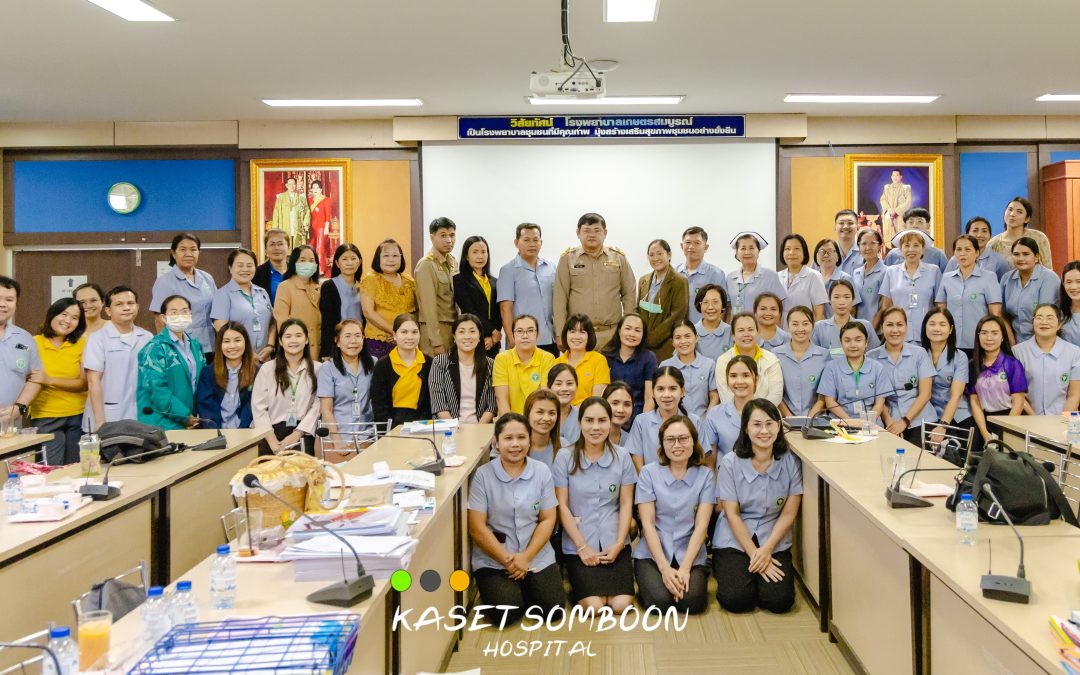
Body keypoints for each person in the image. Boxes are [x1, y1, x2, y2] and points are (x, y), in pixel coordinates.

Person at [468, 412, 566, 626]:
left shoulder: (541, 472)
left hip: (535, 554)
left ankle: (525, 586)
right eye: (508, 438)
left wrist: (526, 558)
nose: (515, 444)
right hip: (495, 558)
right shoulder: (483, 475)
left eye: (521, 438)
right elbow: (477, 528)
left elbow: (548, 519)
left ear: (529, 440)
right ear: (496, 442)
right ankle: (515, 590)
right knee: (506, 615)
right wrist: (508, 561)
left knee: (554, 611)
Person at [713, 398, 802, 614]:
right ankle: (729, 568)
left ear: (779, 426)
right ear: (746, 428)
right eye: (756, 424)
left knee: (779, 602)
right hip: (734, 537)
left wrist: (768, 550)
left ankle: (754, 573)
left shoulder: (790, 461)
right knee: (737, 600)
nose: (764, 430)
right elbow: (731, 514)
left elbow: (789, 513)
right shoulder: (730, 462)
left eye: (770, 423)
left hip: (773, 537)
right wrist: (756, 554)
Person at [552, 397, 637, 613]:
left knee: (621, 605)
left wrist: (619, 543)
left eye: (602, 420)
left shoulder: (622, 456)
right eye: (589, 420)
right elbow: (561, 505)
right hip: (579, 541)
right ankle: (578, 585)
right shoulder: (565, 457)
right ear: (580, 423)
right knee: (594, 607)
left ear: (610, 422)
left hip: (613, 540)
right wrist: (582, 547)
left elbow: (626, 503)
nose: (596, 427)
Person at [633, 415, 714, 614]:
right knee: (659, 603)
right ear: (662, 444)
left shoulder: (705, 476)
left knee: (692, 604)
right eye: (670, 440)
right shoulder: (648, 473)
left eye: (683, 438)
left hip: (690, 553)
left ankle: (684, 577)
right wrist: (664, 568)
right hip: (654, 553)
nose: (677, 445)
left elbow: (702, 526)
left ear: (694, 442)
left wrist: (685, 568)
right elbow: (648, 524)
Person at [554, 213, 636, 348]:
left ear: (605, 233)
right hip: (579, 335)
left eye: (597, 231)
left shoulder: (618, 258)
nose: (592, 235)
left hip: (612, 334)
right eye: (586, 231)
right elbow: (560, 298)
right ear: (578, 233)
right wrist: (560, 333)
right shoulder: (567, 259)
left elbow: (629, 294)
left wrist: (629, 329)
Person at [83, 286, 152, 431]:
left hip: (140, 413)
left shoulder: (147, 337)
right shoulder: (97, 338)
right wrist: (99, 420)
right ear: (108, 311)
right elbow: (93, 380)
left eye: (130, 303)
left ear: (137, 307)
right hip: (107, 415)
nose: (126, 308)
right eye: (119, 304)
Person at [868, 308, 937, 445]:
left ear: (906, 327)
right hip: (888, 421)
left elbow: (926, 394)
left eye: (899, 325)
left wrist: (905, 421)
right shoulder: (871, 357)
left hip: (920, 419)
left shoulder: (919, 354)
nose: (895, 330)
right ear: (882, 327)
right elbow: (878, 399)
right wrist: (891, 424)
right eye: (889, 325)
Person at [251, 318, 320, 455]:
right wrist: (271, 440)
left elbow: (317, 407)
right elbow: (258, 407)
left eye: (298, 336)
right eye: (288, 336)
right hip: (270, 433)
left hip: (303, 433)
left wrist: (297, 434)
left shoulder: (319, 369)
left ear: (306, 340)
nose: (293, 340)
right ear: (281, 342)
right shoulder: (267, 369)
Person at [30, 298, 87, 465]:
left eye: (75, 317)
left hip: (78, 416)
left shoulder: (83, 344)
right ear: (52, 314)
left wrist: (49, 380)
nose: (68, 321)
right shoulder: (33, 342)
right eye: (64, 314)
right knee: (51, 471)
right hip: (46, 416)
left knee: (76, 470)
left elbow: (83, 384)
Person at [137, 294, 205, 431]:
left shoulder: (195, 346)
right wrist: (185, 417)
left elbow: (200, 382)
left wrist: (195, 416)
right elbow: (157, 389)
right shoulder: (155, 348)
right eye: (174, 312)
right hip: (162, 422)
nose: (180, 316)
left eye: (184, 311)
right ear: (163, 317)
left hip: (191, 420)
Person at [150, 233, 216, 359]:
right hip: (182, 348)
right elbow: (159, 319)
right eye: (182, 249)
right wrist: (166, 349)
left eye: (193, 249)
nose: (188, 254)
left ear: (198, 252)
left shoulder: (207, 278)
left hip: (210, 345)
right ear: (174, 254)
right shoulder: (165, 282)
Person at [968, 315, 1027, 453]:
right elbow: (975, 402)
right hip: (986, 421)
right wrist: (984, 432)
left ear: (1002, 337)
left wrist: (1006, 431)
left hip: (1011, 419)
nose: (989, 338)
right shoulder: (972, 365)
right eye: (984, 333)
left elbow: (1019, 402)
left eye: (995, 333)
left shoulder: (1012, 364)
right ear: (978, 336)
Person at [935, 235, 1002, 355]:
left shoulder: (989, 277)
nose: (963, 253)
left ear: (977, 253)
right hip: (951, 342)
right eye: (959, 249)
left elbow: (995, 315)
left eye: (968, 249)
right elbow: (941, 311)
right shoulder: (947, 278)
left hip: (979, 342)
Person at [627, 366, 704, 470]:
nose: (666, 395)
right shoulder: (641, 422)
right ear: (653, 392)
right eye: (660, 389)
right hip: (649, 484)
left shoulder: (695, 421)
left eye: (672, 389)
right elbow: (637, 465)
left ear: (682, 391)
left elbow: (700, 460)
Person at [497, 223, 558, 355]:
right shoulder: (508, 270)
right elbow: (505, 308)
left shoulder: (551, 267)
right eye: (526, 240)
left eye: (536, 240)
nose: (532, 244)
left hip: (550, 338)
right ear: (516, 242)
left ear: (541, 242)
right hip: (523, 341)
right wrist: (512, 340)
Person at [317, 319, 376, 449]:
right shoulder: (327, 368)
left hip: (367, 435)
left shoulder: (374, 363)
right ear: (337, 341)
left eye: (357, 336)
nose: (353, 341)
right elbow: (326, 409)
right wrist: (336, 439)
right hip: (339, 437)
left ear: (363, 339)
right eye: (347, 336)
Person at [1012, 304, 1080, 416]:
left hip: (1060, 420)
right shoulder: (1017, 352)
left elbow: (1074, 394)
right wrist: (1033, 418)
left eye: (1050, 318)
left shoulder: (1074, 353)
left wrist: (1062, 422)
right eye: (1039, 317)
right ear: (1032, 322)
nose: (1044, 322)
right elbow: (1017, 394)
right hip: (1027, 419)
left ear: (1059, 324)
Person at [920, 307, 974, 447]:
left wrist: (943, 426)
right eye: (932, 324)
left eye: (942, 324)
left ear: (950, 330)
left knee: (961, 448)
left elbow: (956, 396)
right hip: (929, 412)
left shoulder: (960, 357)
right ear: (925, 327)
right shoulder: (918, 354)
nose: (936, 328)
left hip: (957, 412)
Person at [428, 314, 495, 424]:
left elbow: (491, 406)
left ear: (479, 337)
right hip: (449, 429)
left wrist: (478, 429)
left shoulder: (490, 364)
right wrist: (455, 429)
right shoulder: (440, 362)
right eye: (462, 332)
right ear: (454, 337)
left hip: (481, 427)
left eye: (472, 331)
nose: (467, 336)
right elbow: (439, 405)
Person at [817, 321, 890, 423]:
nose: (853, 345)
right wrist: (850, 422)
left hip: (871, 423)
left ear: (866, 342)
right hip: (841, 423)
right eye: (847, 340)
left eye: (858, 340)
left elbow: (880, 403)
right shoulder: (831, 367)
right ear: (841, 343)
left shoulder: (878, 368)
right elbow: (830, 402)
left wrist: (867, 423)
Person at [212, 248, 276, 363]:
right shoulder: (222, 294)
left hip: (264, 359)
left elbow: (272, 322)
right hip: (237, 359)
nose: (245, 269)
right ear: (230, 268)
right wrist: (248, 354)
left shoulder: (262, 292)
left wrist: (270, 346)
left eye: (250, 265)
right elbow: (222, 330)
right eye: (240, 265)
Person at [879, 229, 942, 343]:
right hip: (898, 333)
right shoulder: (891, 272)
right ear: (901, 250)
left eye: (916, 245)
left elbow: (939, 305)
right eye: (906, 245)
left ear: (923, 249)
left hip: (926, 333)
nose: (911, 249)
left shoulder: (934, 271)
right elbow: (886, 305)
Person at [371, 314, 432, 427]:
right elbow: (379, 406)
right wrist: (391, 430)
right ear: (394, 335)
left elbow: (430, 404)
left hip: (422, 427)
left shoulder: (429, 363)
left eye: (414, 332)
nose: (410, 337)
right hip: (391, 428)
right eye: (404, 332)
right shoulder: (383, 365)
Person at [360, 238, 417, 360]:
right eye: (386, 256)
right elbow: (368, 312)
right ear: (378, 259)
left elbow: (414, 312)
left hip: (406, 340)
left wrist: (404, 334)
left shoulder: (409, 281)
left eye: (395, 255)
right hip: (379, 340)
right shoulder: (371, 279)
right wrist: (393, 332)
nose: (391, 259)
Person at [195, 322, 256, 430]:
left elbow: (252, 405)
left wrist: (243, 431)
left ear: (245, 342)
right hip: (216, 434)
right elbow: (206, 407)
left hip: (246, 431)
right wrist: (217, 435)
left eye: (237, 340)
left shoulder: (257, 372)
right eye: (226, 341)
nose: (232, 346)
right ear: (219, 344)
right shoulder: (208, 372)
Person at [713, 313, 783, 405]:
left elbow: (776, 395)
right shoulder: (723, 361)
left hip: (766, 415)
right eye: (741, 330)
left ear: (757, 332)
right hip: (734, 416)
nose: (746, 334)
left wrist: (757, 413)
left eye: (750, 330)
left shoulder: (771, 359)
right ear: (733, 335)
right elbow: (726, 396)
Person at [637, 239, 689, 361]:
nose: (655, 258)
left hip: (665, 346)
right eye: (651, 255)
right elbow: (637, 311)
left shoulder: (679, 281)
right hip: (641, 346)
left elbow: (677, 315)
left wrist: (652, 339)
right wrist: (639, 336)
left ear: (669, 255)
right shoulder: (643, 281)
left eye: (660, 253)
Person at [493, 314, 556, 415]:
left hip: (538, 420)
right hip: (511, 421)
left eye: (530, 331)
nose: (525, 336)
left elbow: (546, 397)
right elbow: (501, 399)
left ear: (537, 334)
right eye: (519, 331)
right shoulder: (502, 359)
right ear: (513, 335)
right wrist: (511, 425)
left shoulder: (548, 358)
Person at [1001, 237, 1060, 345]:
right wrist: (1011, 341)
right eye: (1016, 254)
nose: (1020, 258)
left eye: (1026, 254)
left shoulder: (1049, 278)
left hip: (1043, 341)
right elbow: (1002, 313)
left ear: (1036, 257)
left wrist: (1031, 347)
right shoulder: (1006, 279)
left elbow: (1045, 316)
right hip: (1015, 341)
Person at [600, 313, 657, 424]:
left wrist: (643, 424)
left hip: (637, 415)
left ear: (643, 335)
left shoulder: (649, 358)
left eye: (637, 330)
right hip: (609, 414)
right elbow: (601, 393)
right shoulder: (605, 355)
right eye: (628, 328)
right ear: (619, 331)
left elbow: (649, 397)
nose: (632, 334)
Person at [773, 306, 829, 418]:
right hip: (784, 419)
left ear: (813, 325)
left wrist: (809, 419)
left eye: (805, 323)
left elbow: (823, 395)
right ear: (787, 326)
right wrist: (790, 418)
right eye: (795, 324)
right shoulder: (775, 354)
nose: (800, 329)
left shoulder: (824, 355)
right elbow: (776, 392)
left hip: (815, 419)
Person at [414, 217, 458, 356]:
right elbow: (428, 307)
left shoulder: (452, 262)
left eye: (452, 235)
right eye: (443, 235)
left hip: (453, 329)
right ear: (432, 237)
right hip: (435, 331)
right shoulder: (426, 265)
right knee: (434, 376)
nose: (449, 240)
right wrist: (436, 341)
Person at [700, 356, 758, 460]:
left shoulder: (769, 412)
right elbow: (710, 457)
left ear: (756, 379)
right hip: (726, 474)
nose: (739, 381)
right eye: (733, 376)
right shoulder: (715, 414)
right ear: (727, 380)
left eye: (746, 375)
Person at [0, 276, 41, 423]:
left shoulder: (24, 338)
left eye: (9, 300)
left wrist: (19, 408)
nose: (3, 304)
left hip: (10, 427)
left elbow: (36, 379)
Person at [454, 236, 502, 359]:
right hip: (472, 337)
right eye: (475, 252)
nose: (480, 256)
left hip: (493, 342)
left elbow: (499, 310)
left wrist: (494, 336)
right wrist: (492, 331)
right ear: (466, 256)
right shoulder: (459, 280)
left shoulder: (495, 281)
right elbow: (469, 309)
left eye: (483, 252)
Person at [659, 319, 718, 419]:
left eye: (687, 336)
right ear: (672, 342)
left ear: (696, 338)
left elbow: (714, 397)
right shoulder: (665, 366)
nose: (683, 341)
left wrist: (707, 421)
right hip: (673, 425)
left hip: (702, 424)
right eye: (678, 337)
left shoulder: (709, 364)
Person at [273, 245, 323, 360]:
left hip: (318, 350)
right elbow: (282, 323)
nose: (307, 264)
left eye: (311, 261)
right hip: (296, 350)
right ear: (294, 263)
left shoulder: (318, 288)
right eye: (303, 260)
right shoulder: (285, 287)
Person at [319, 244, 364, 359]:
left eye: (353, 258)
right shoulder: (329, 286)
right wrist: (327, 352)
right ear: (337, 263)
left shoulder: (364, 287)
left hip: (359, 343)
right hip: (337, 344)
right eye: (344, 259)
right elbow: (326, 322)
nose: (349, 263)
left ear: (359, 262)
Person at [554, 313, 610, 405]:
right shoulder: (556, 363)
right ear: (565, 335)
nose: (577, 337)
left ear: (589, 336)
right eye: (572, 331)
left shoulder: (599, 360)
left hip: (588, 414)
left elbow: (597, 399)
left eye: (582, 332)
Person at [812, 280, 880, 354]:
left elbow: (874, 355)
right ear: (829, 300)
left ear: (853, 299)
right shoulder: (819, 327)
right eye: (836, 297)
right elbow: (814, 356)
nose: (842, 302)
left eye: (846, 297)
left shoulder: (866, 326)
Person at [726, 232, 786, 316]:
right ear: (736, 253)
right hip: (737, 327)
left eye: (751, 248)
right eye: (743, 248)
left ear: (758, 251)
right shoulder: (730, 278)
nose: (747, 252)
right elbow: (728, 308)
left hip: (761, 327)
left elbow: (780, 306)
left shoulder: (770, 276)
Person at [987, 197, 1053, 271]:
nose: (1012, 214)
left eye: (1019, 212)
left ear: (1027, 219)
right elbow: (989, 275)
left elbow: (1048, 269)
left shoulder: (1039, 237)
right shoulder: (994, 244)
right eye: (1010, 209)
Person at [676, 226, 726, 324]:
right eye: (688, 242)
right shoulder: (673, 272)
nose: (691, 247)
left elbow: (723, 307)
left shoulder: (716, 274)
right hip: (678, 334)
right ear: (682, 246)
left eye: (697, 243)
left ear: (706, 247)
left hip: (706, 333)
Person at [943, 217, 1011, 281]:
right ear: (967, 235)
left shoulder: (999, 260)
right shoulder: (955, 259)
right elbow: (946, 283)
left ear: (990, 235)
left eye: (984, 231)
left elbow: (1005, 286)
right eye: (975, 231)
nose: (979, 235)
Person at [778, 234, 827, 321]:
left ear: (804, 252)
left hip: (804, 330)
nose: (791, 253)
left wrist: (814, 334)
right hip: (782, 330)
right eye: (787, 249)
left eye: (797, 249)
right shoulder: (777, 277)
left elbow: (819, 314)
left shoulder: (814, 276)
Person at [883, 208, 949, 272]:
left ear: (928, 226)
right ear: (905, 226)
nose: (915, 225)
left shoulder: (938, 254)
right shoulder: (893, 254)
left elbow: (947, 279)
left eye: (920, 221)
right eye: (911, 222)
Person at [852, 228, 886, 329]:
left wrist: (871, 331)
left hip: (876, 331)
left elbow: (883, 308)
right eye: (863, 244)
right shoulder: (856, 273)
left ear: (880, 246)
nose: (867, 247)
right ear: (858, 246)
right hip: (856, 329)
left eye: (872, 243)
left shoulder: (886, 272)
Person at [812, 238, 853, 319]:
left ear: (838, 256)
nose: (826, 255)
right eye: (822, 252)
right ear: (816, 257)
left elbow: (853, 308)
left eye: (830, 251)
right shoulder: (812, 278)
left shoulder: (845, 278)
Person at [524, 388, 562, 467]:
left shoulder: (565, 447)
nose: (546, 418)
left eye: (552, 413)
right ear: (528, 414)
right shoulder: (516, 446)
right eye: (540, 412)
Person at [693, 284, 733, 360]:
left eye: (715, 302)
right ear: (699, 305)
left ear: (723, 306)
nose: (710, 307)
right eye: (705, 302)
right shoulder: (691, 332)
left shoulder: (731, 332)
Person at [253, 228, 291, 305]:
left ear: (288, 248)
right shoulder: (256, 274)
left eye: (280, 244)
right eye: (272, 244)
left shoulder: (296, 272)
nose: (276, 248)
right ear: (266, 250)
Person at [271, 176, 311, 247]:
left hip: (298, 227)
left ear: (296, 185)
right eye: (290, 184)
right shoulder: (281, 198)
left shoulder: (301, 197)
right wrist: (275, 229)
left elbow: (307, 211)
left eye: (294, 184)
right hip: (284, 226)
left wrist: (306, 224)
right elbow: (276, 214)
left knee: (297, 250)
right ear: (286, 185)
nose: (292, 186)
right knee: (285, 247)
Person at [547, 364, 580, 445]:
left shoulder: (582, 415)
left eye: (569, 383)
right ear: (549, 387)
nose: (564, 389)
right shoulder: (540, 415)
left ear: (577, 386)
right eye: (558, 384)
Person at [306, 180, 336, 271]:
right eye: (313, 188)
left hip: (321, 228)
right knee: (311, 248)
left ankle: (320, 269)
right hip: (311, 227)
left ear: (321, 189)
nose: (315, 190)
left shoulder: (326, 200)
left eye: (317, 188)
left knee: (320, 248)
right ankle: (312, 268)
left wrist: (326, 227)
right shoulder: (309, 200)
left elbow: (328, 215)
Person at [879, 169, 912, 242]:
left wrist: (896, 211)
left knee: (900, 239)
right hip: (889, 215)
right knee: (889, 239)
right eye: (893, 175)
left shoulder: (905, 188)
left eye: (897, 175)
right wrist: (888, 209)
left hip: (899, 216)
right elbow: (883, 199)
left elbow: (908, 202)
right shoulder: (887, 188)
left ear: (901, 177)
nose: (895, 177)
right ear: (891, 177)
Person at [832, 210, 864, 277]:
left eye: (850, 223)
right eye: (841, 223)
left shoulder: (866, 252)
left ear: (858, 227)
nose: (846, 226)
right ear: (834, 227)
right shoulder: (825, 253)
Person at [604, 382, 634, 447]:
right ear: (603, 404)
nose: (621, 410)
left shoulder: (631, 441)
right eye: (615, 403)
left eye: (627, 404)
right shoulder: (591, 437)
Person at [1060, 261, 1080, 347]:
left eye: (1079, 281)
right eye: (1068, 282)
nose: (1074, 287)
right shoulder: (1060, 311)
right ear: (1063, 284)